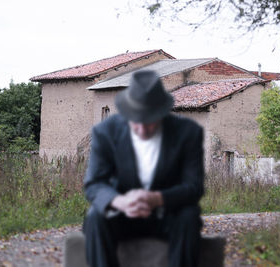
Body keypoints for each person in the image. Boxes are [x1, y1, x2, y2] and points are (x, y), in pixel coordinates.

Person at [83, 70, 204, 267]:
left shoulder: (188, 132)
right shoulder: (105, 132)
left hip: (167, 214)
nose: (141, 129)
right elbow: (94, 184)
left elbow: (194, 187)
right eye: (136, 122)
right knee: (95, 216)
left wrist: (157, 198)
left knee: (189, 215)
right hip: (122, 214)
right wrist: (119, 201)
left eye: (149, 122)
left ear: (162, 114)